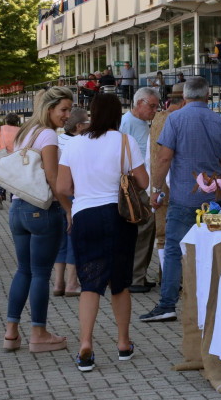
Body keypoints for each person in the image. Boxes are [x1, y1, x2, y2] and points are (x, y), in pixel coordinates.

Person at [57, 93, 148, 372]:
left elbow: (62, 187)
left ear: (92, 114)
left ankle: (86, 344)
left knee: (90, 282)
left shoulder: (74, 144)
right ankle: (123, 343)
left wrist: (82, 194)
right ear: (118, 115)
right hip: (119, 215)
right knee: (119, 283)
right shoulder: (125, 141)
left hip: (85, 216)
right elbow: (143, 182)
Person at [141, 76, 221, 322]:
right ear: (207, 97)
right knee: (211, 252)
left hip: (183, 197)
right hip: (213, 200)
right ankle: (212, 305)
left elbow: (163, 159)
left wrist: (156, 189)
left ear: (184, 97)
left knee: (173, 251)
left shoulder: (176, 119)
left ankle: (167, 304)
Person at [2, 86, 73, 354]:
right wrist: (68, 208)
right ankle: (39, 334)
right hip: (42, 210)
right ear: (50, 108)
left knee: (24, 270)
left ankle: (11, 333)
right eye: (64, 109)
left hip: (17, 208)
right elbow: (54, 180)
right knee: (41, 274)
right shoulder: (48, 137)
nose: (68, 115)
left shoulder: (25, 132)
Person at [119, 87, 160, 293]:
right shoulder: (128, 122)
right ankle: (136, 277)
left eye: (156, 106)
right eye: (151, 106)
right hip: (138, 182)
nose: (155, 110)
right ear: (139, 103)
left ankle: (139, 275)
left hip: (144, 180)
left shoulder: (140, 122)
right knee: (144, 227)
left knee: (148, 229)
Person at [145, 82, 186, 286]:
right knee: (179, 235)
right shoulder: (178, 120)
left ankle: (167, 279)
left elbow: (150, 157)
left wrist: (154, 187)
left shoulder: (156, 120)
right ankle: (177, 280)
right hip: (176, 185)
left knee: (162, 236)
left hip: (157, 184)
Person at [53, 108, 89, 298]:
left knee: (61, 239)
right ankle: (72, 283)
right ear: (79, 126)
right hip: (75, 194)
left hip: (57, 195)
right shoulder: (81, 143)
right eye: (87, 123)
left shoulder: (58, 140)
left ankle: (58, 283)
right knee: (74, 238)